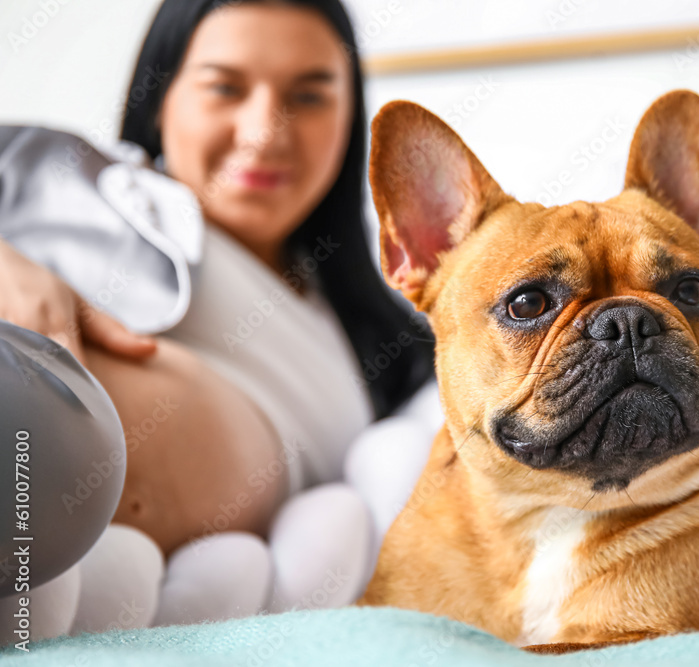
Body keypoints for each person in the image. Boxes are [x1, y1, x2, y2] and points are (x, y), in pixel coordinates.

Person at [0, 0, 436, 638]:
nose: (265, 132)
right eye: (224, 87)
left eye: (309, 97)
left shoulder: (386, 342)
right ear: (160, 97)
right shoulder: (87, 193)